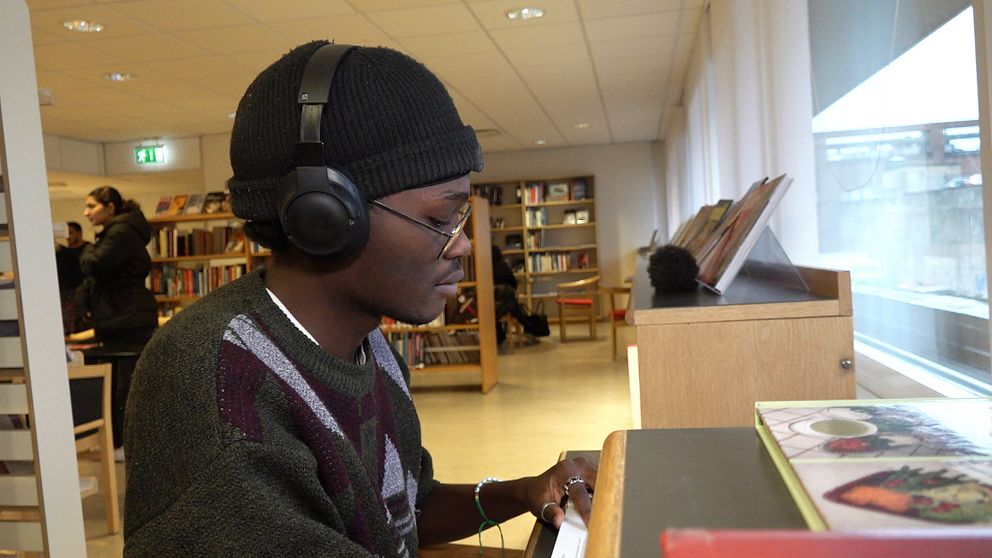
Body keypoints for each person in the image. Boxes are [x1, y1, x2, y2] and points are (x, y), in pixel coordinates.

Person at [123, 41, 596, 556]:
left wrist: (523, 492)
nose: (462, 245)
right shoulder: (216, 383)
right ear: (324, 217)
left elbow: (402, 515)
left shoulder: (370, 347)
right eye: (442, 219)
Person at [77, 186, 158, 451]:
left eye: (92, 206)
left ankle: (121, 442)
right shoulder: (122, 232)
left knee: (123, 383)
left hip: (124, 317)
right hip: (124, 315)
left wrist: (86, 250)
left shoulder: (120, 233)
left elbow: (95, 264)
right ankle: (117, 441)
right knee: (120, 381)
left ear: (110, 207)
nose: (86, 212)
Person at [492, 245, 541, 346]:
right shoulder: (502, 266)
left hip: (493, 302)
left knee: (511, 305)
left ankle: (502, 335)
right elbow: (513, 282)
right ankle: (529, 328)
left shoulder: (485, 267)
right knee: (514, 305)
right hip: (503, 301)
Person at [55, 221, 90, 333]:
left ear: (79, 233)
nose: (68, 237)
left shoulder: (89, 250)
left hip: (81, 294)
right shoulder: (64, 254)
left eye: (71, 233)